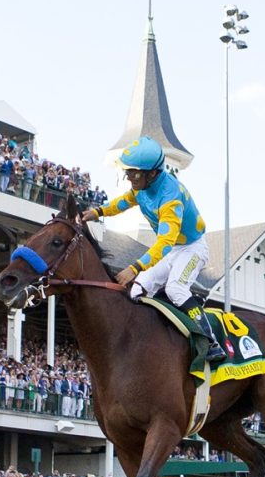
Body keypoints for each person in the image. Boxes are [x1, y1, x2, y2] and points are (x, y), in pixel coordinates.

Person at [80, 136, 225, 362]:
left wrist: (135, 267)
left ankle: (210, 340)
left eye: (133, 173)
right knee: (138, 289)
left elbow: (165, 243)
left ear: (152, 173)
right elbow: (123, 202)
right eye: (127, 172)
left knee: (176, 288)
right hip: (174, 249)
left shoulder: (171, 198)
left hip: (191, 249)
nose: (128, 177)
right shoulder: (142, 186)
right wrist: (97, 212)